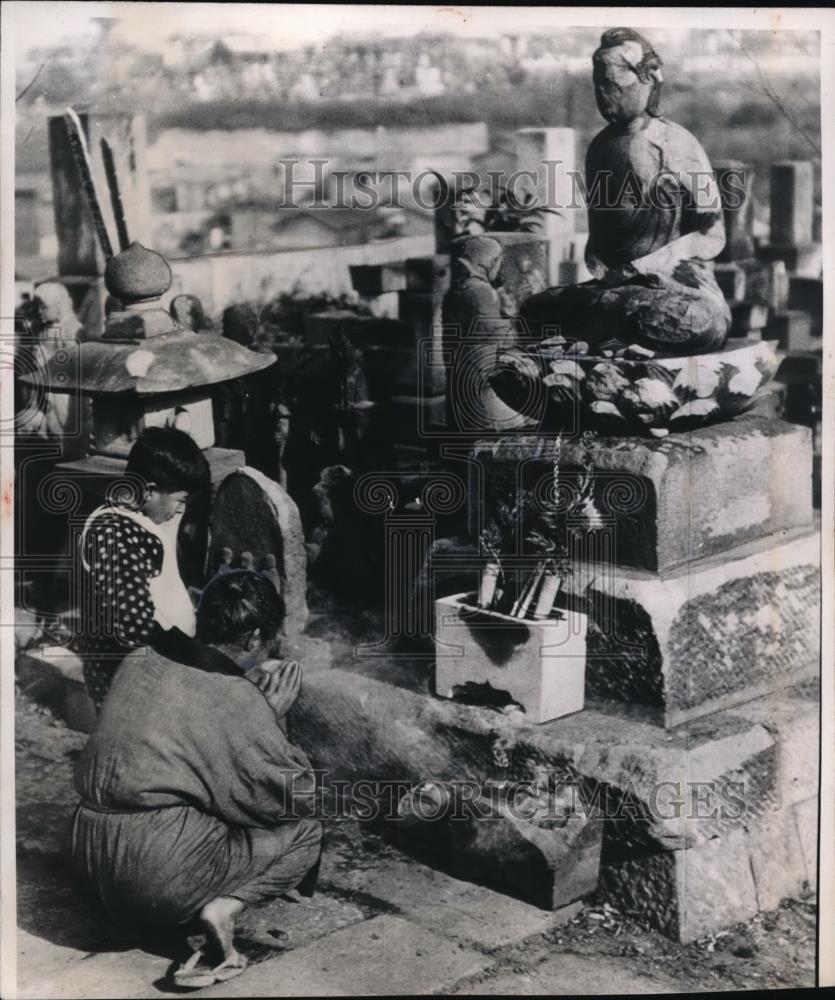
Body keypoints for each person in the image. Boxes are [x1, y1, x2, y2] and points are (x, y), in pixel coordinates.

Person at [69, 571, 322, 989]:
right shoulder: (236, 697)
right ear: (254, 638)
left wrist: (251, 713)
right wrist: (268, 715)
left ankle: (133, 919)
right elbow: (291, 795)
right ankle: (221, 909)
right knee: (306, 829)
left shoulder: (141, 658)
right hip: (151, 870)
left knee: (196, 797)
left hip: (85, 859)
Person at [520, 27, 731, 354]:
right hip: (617, 291)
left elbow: (713, 234)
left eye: (613, 86)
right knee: (532, 310)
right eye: (598, 87)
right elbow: (603, 242)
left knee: (705, 321)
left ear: (647, 81)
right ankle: (610, 334)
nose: (604, 96)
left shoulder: (677, 143)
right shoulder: (600, 148)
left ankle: (600, 335)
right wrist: (605, 268)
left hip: (674, 285)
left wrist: (655, 263)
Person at [73, 425, 214, 711]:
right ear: (149, 491)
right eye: (180, 500)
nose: (180, 511)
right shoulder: (113, 534)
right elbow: (132, 622)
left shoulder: (137, 522)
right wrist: (191, 654)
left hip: (151, 669)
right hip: (126, 680)